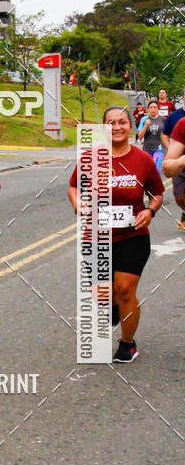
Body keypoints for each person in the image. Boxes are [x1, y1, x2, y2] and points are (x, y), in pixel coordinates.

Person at [68, 106, 164, 362]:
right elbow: (73, 187)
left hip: (133, 235)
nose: (117, 126)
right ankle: (111, 307)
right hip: (96, 237)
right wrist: (78, 203)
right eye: (111, 122)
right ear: (104, 127)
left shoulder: (142, 160)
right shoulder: (91, 158)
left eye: (122, 122)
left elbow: (157, 193)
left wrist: (150, 211)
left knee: (124, 290)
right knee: (102, 294)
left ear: (130, 126)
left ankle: (127, 343)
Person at [161, 94, 185, 229]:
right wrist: (179, 159)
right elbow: (168, 169)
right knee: (180, 197)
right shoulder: (179, 120)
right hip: (182, 165)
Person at [137, 99, 165, 171]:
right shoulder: (144, 119)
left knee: (155, 170)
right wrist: (145, 126)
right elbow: (140, 137)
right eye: (151, 107)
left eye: (155, 107)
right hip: (147, 149)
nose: (153, 109)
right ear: (148, 109)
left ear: (158, 109)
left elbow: (167, 135)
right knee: (147, 171)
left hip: (159, 149)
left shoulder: (163, 119)